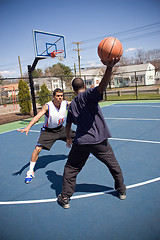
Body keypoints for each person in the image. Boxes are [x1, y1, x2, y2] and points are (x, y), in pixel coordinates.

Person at [57, 59, 126, 209]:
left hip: (81, 142)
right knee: (113, 165)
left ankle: (65, 197)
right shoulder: (89, 95)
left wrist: (68, 137)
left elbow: (68, 124)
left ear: (73, 89)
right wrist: (109, 67)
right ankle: (121, 190)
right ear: (85, 86)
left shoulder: (72, 104)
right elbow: (103, 85)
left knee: (71, 168)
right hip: (99, 141)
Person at [18, 88, 75, 183]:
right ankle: (30, 171)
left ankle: (84, 151)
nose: (60, 98)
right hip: (49, 132)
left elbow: (75, 102)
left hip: (61, 129)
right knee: (37, 149)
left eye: (61, 96)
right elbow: (37, 117)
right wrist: (28, 126)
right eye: (58, 96)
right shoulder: (47, 106)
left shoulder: (65, 103)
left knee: (78, 137)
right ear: (54, 96)